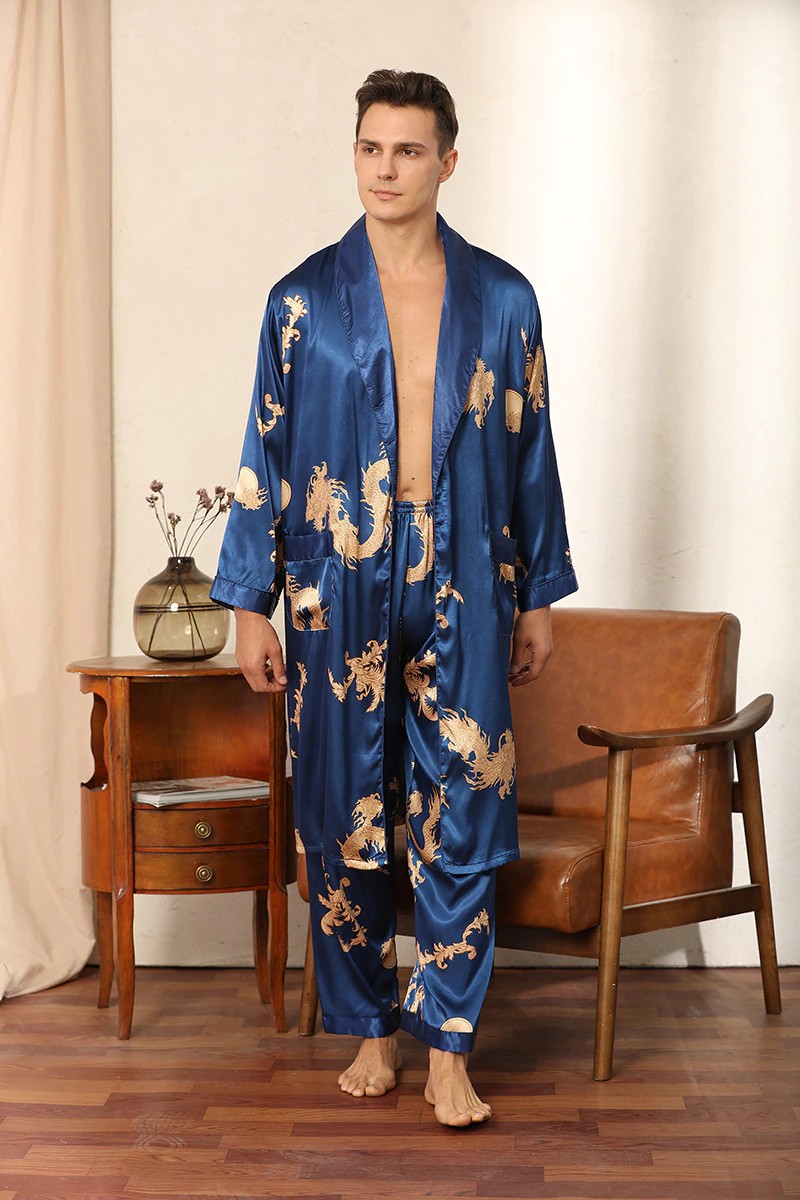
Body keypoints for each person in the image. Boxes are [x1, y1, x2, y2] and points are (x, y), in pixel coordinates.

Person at [209, 68, 578, 1127]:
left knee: (463, 810)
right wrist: (250, 602)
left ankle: (449, 1045)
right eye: (371, 148)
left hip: (467, 574)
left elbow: (532, 451)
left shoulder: (502, 298)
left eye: (408, 150)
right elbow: (266, 452)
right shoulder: (300, 302)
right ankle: (372, 1029)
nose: (385, 168)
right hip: (337, 588)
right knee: (343, 814)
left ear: (446, 162)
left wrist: (538, 595)